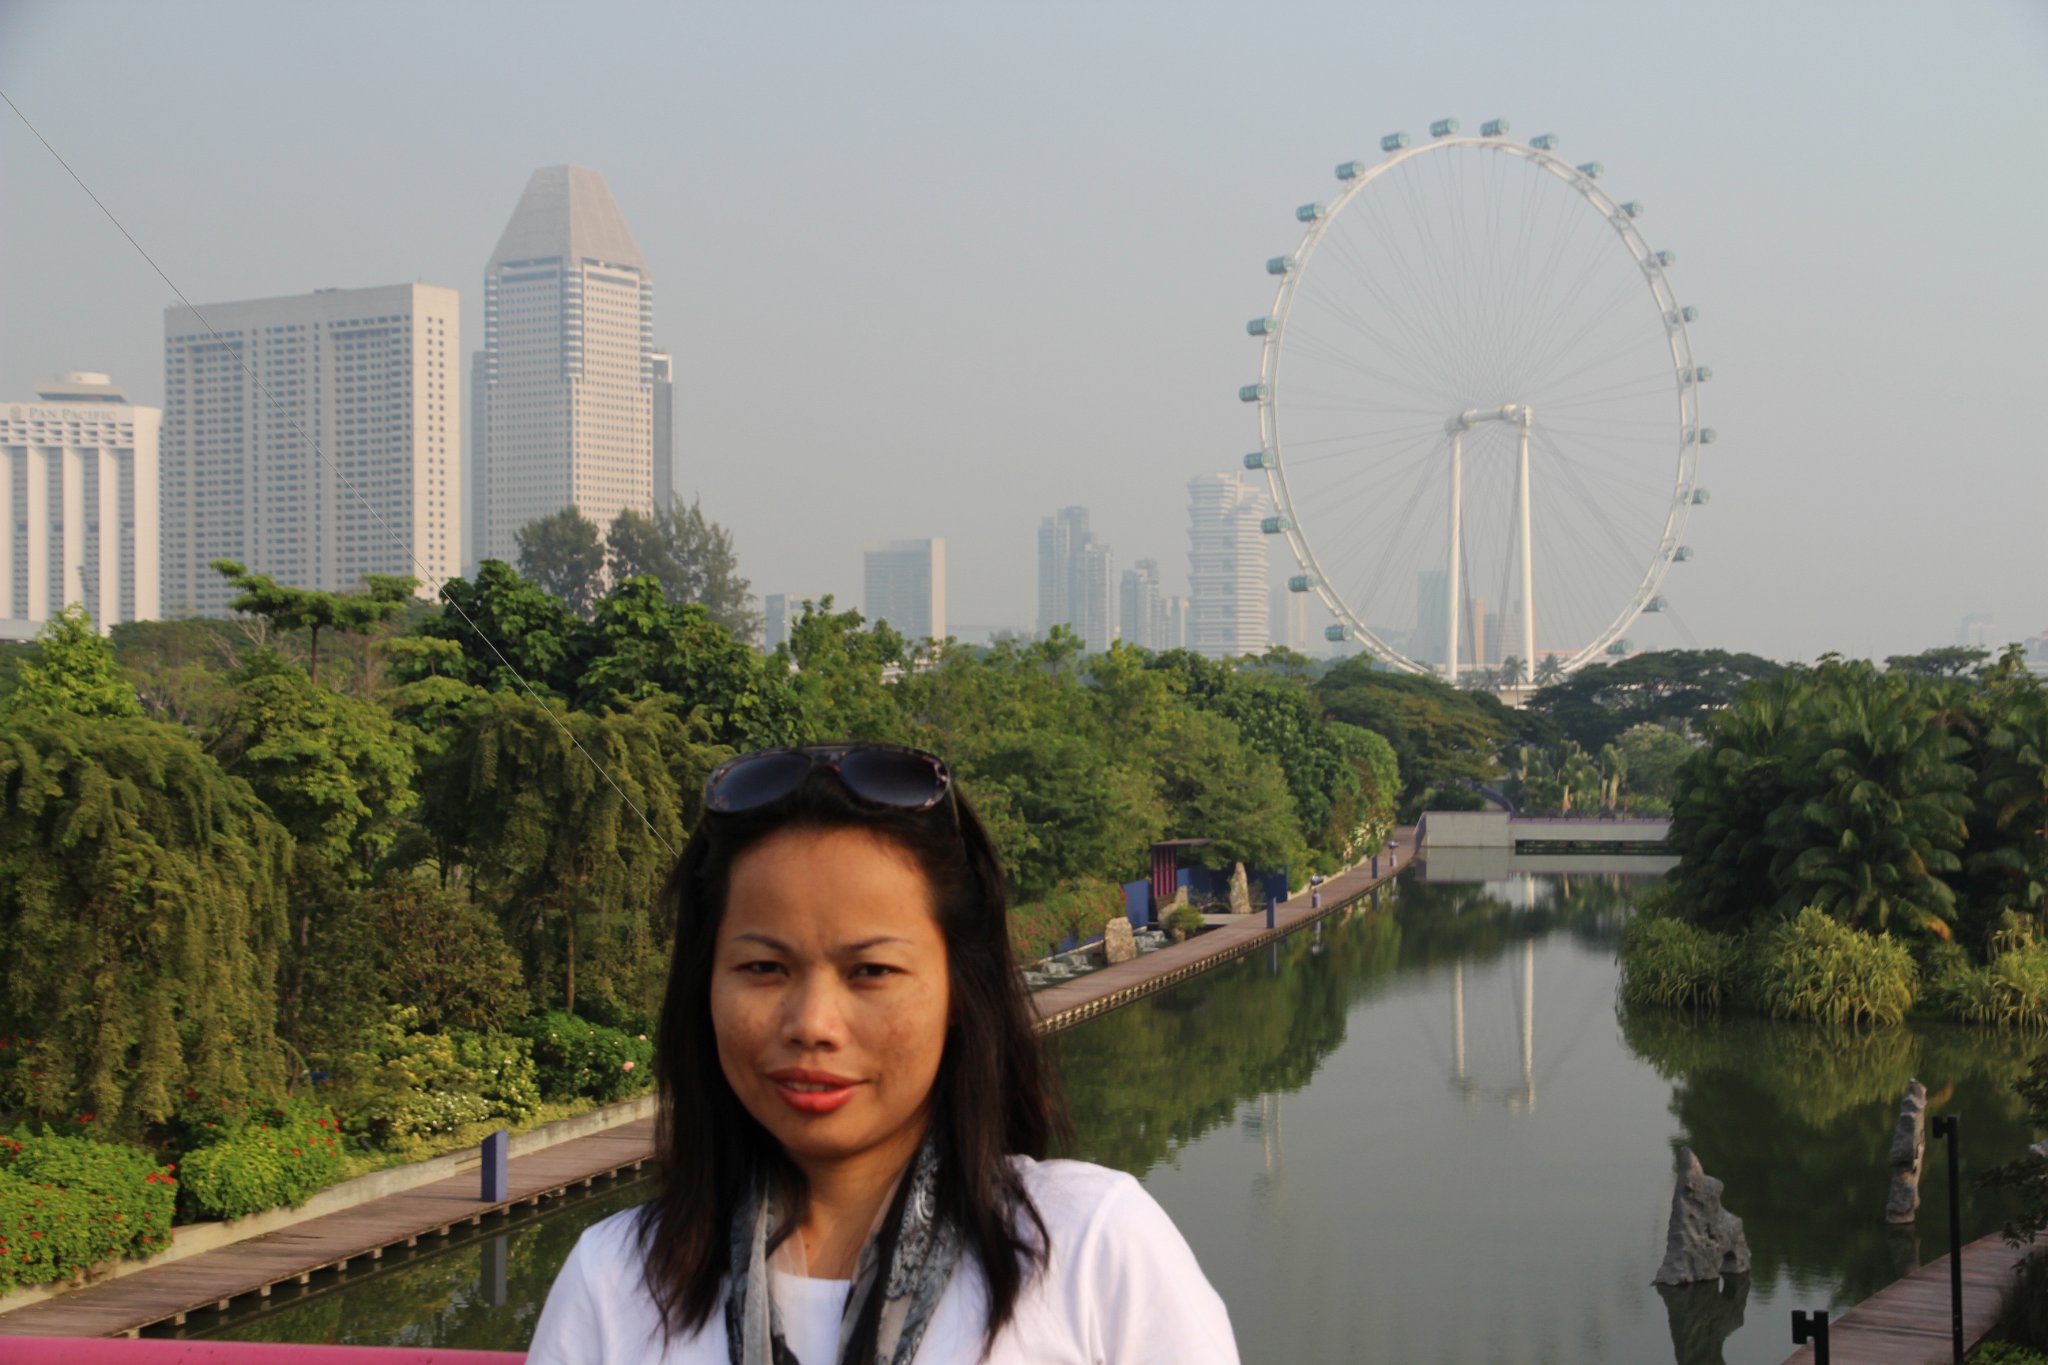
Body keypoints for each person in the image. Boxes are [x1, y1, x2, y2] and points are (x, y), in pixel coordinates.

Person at [527, 743, 1239, 1365]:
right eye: (763, 968)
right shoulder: (615, 1281)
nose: (812, 1024)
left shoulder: (1090, 1249)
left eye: (870, 971)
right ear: (704, 985)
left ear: (961, 988)